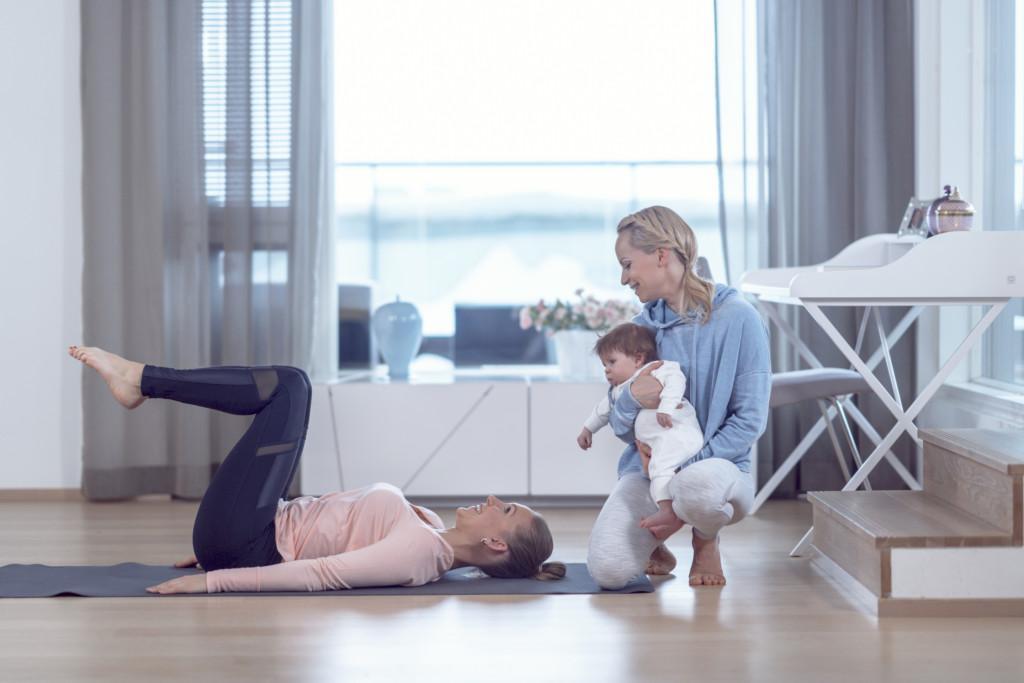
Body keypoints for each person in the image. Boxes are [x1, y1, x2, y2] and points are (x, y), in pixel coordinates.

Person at [68, 346, 566, 594]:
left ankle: (141, 380)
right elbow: (326, 525)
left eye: (508, 510)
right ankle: (142, 382)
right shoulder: (430, 529)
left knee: (291, 387)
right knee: (291, 387)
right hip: (250, 529)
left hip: (249, 543)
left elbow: (322, 574)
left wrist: (213, 581)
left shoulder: (420, 553)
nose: (496, 498)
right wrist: (217, 544)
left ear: (497, 544)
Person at [586, 206, 771, 589]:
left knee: (698, 491)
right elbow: (623, 429)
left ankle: (706, 538)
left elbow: (749, 420)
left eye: (626, 265)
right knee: (608, 570)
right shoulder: (639, 330)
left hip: (719, 467)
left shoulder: (739, 319)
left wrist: (680, 472)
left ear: (661, 254)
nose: (623, 279)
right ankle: (656, 542)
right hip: (649, 474)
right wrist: (632, 399)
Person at [576, 323, 703, 533]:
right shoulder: (618, 390)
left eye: (612, 362)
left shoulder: (655, 369)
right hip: (658, 443)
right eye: (604, 365)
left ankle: (667, 511)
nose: (607, 369)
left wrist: (667, 406)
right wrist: (587, 429)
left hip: (677, 433)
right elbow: (602, 411)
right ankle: (666, 514)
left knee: (660, 468)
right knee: (656, 469)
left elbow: (676, 380)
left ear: (638, 359)